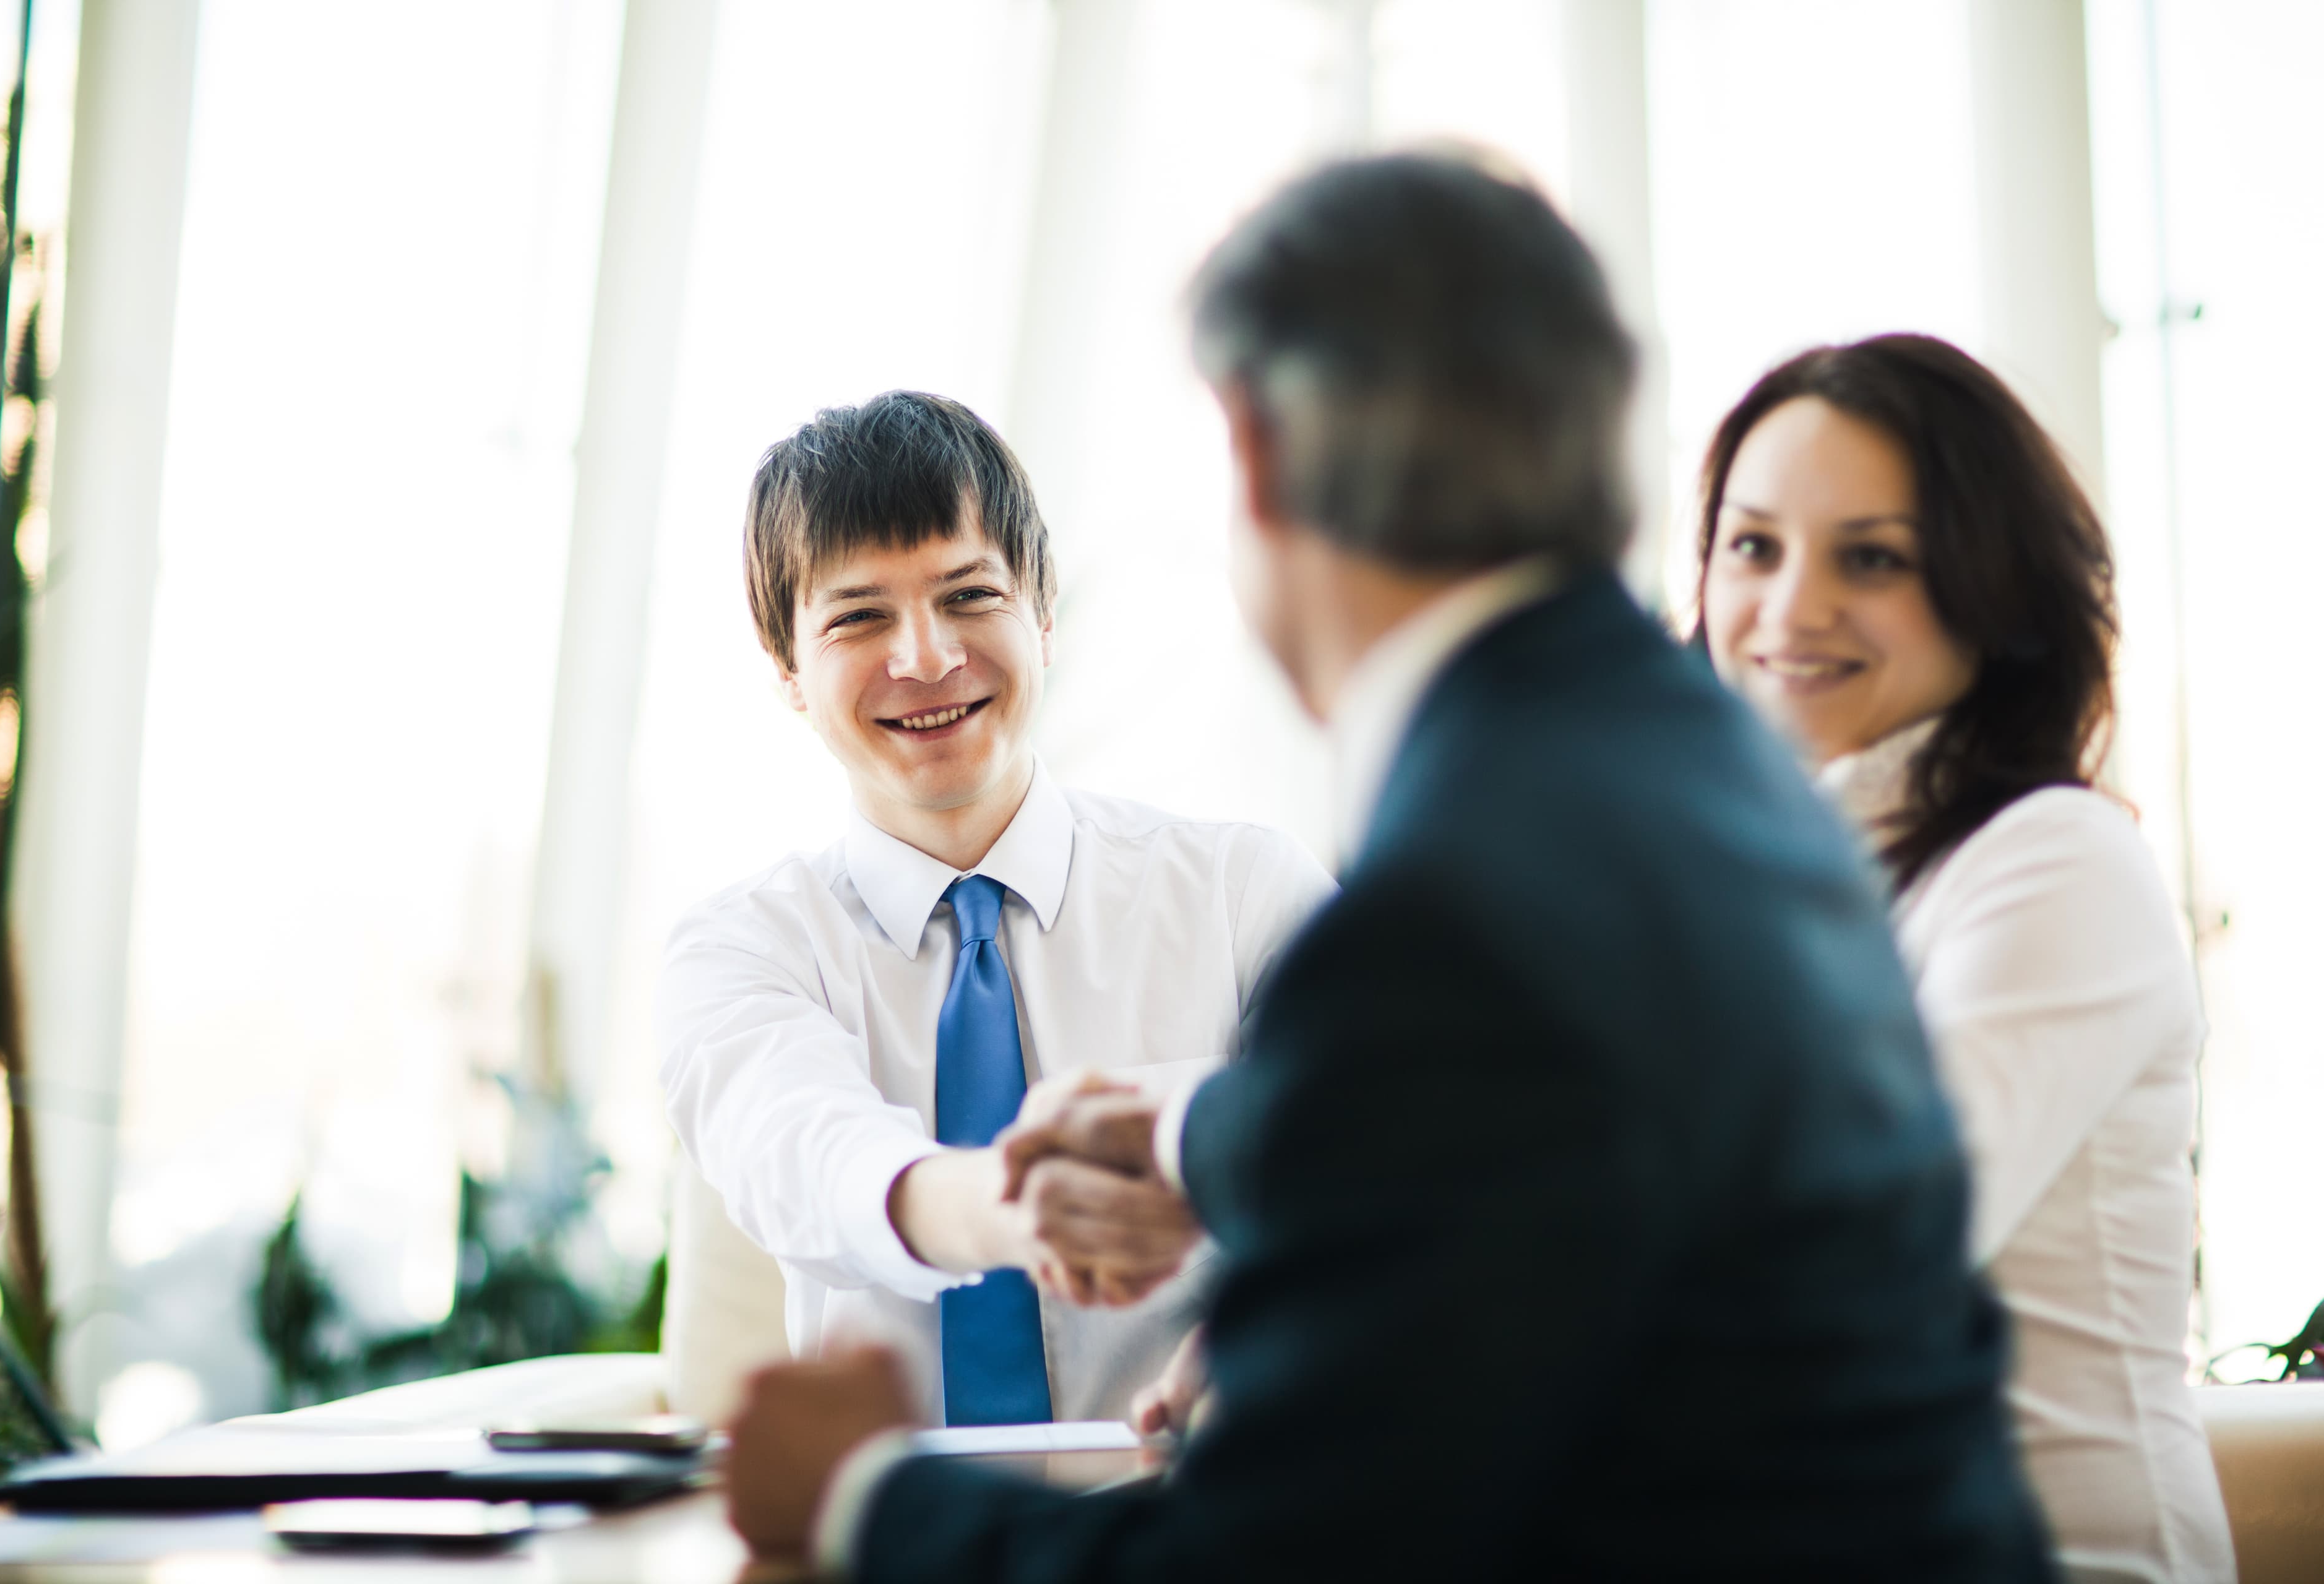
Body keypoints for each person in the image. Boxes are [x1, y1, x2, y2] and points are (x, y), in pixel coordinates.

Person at [718, 154, 2053, 1581]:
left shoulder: (1452, 908)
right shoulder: (1720, 774)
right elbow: (1519, 1140)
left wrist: (859, 1494)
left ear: (1257, 457)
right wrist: (1184, 1137)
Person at [656, 390, 1332, 1428]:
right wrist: (1016, 1210)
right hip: (888, 1538)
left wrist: (1266, 1336)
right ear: (790, 672)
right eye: (859, 617)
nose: (925, 658)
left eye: (969, 597)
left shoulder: (1245, 895)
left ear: (1043, 616)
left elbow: (1392, 1160)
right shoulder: (741, 948)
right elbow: (807, 1158)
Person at [1696, 334, 2234, 1582]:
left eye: (1870, 557)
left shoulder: (2058, 857)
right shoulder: (1752, 890)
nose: (1787, 609)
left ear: (1993, 590)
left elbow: (1854, 1243)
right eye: (1752, 545)